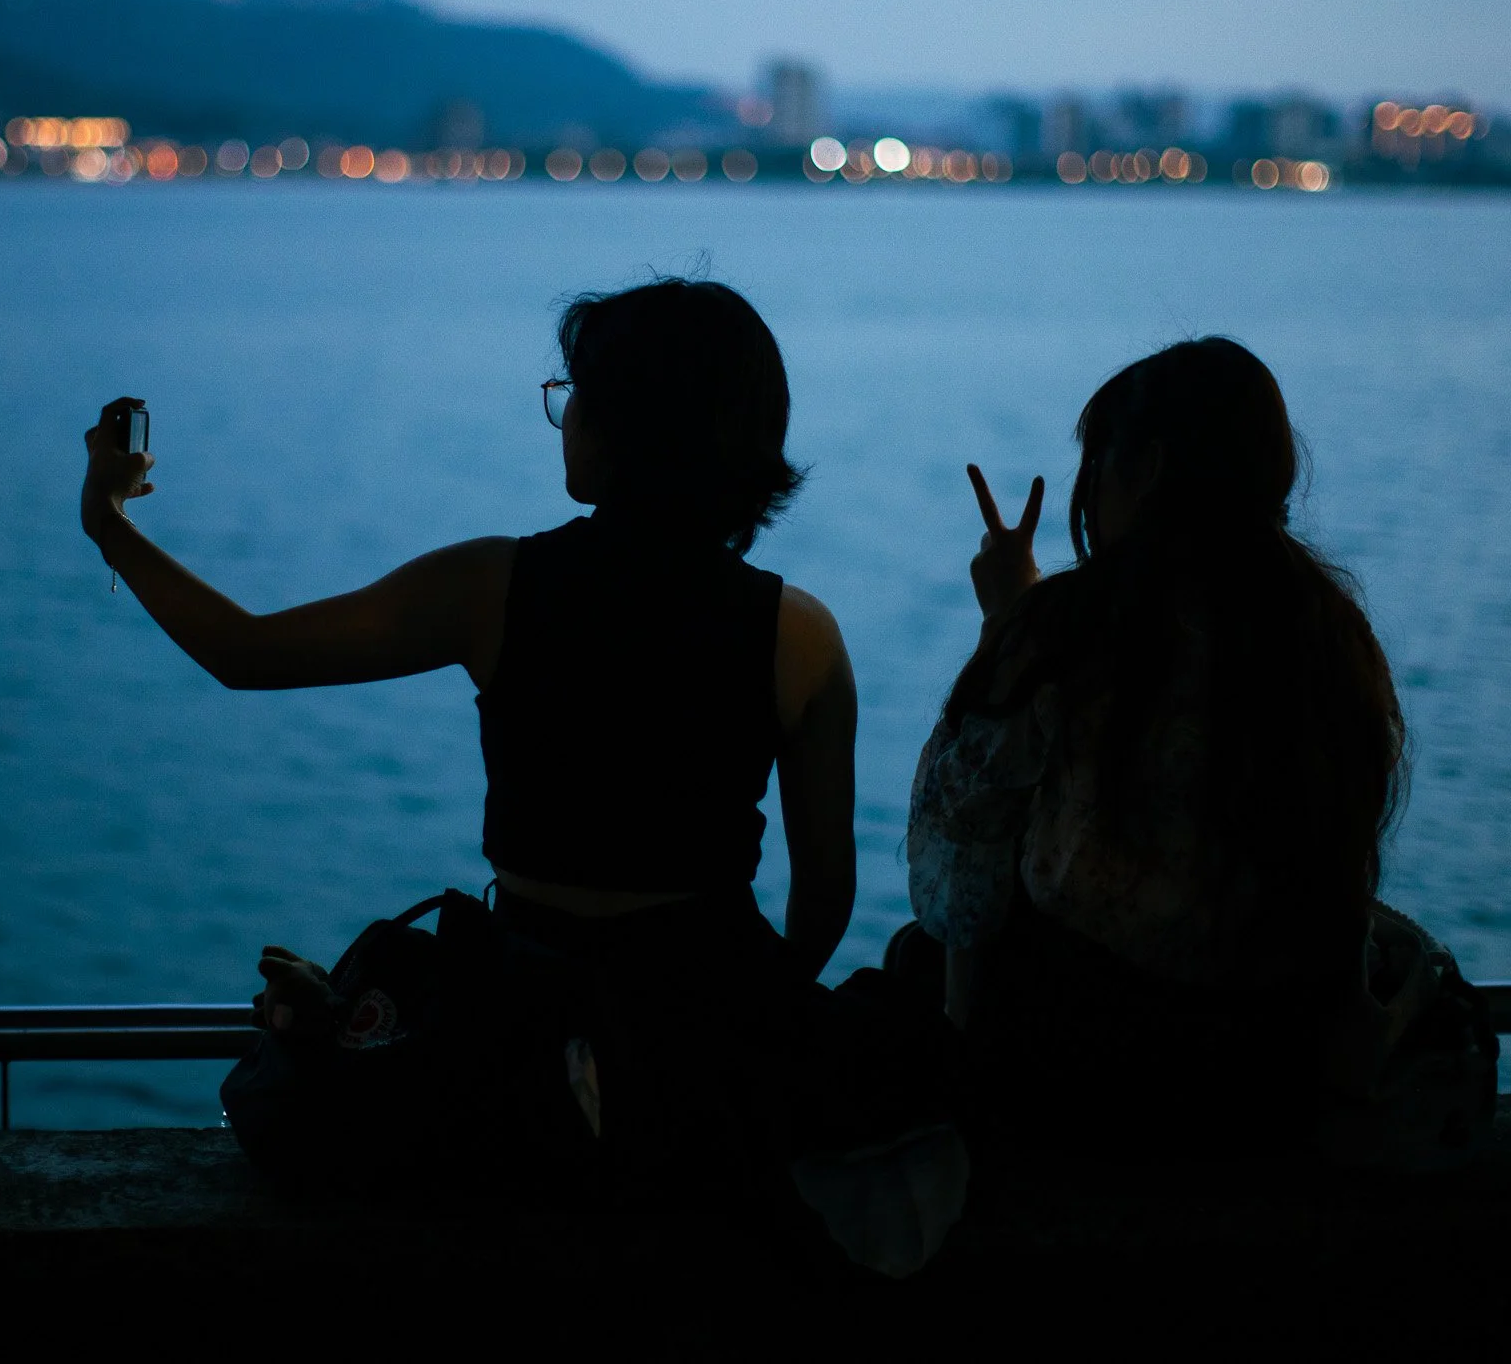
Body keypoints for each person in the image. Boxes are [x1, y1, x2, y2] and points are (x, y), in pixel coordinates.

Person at [83, 276, 963, 1267]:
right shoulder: (799, 636)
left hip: (515, 1019)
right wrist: (728, 1027)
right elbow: (823, 903)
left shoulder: (490, 585)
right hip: (710, 1026)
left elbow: (244, 653)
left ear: (623, 424)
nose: (563, 419)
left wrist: (111, 521)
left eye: (573, 394)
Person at [905, 336, 1411, 1152]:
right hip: (1277, 1072)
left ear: (1148, 469)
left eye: (1102, 459)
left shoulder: (1065, 632)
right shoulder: (1329, 637)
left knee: (910, 960)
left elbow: (955, 873)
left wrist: (1006, 623)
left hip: (1088, 1074)